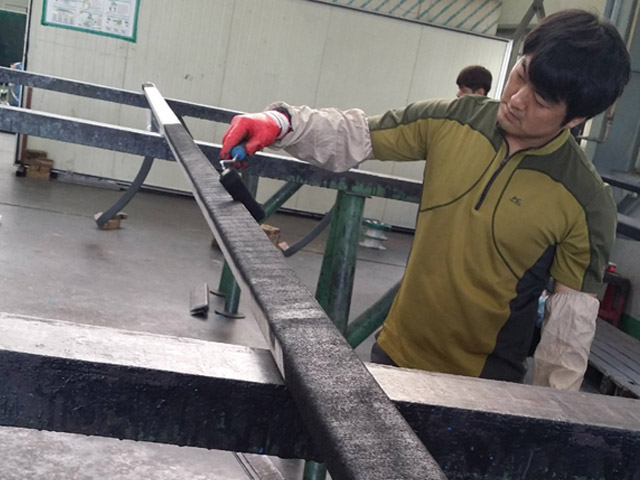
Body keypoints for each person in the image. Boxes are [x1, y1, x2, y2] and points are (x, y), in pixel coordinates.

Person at [220, 10, 631, 391]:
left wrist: (549, 419)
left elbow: (568, 331)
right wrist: (281, 122)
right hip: (395, 353)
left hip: (486, 386)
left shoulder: (586, 201)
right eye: (520, 75)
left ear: (575, 118)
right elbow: (359, 134)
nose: (517, 99)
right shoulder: (455, 120)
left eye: (540, 100)